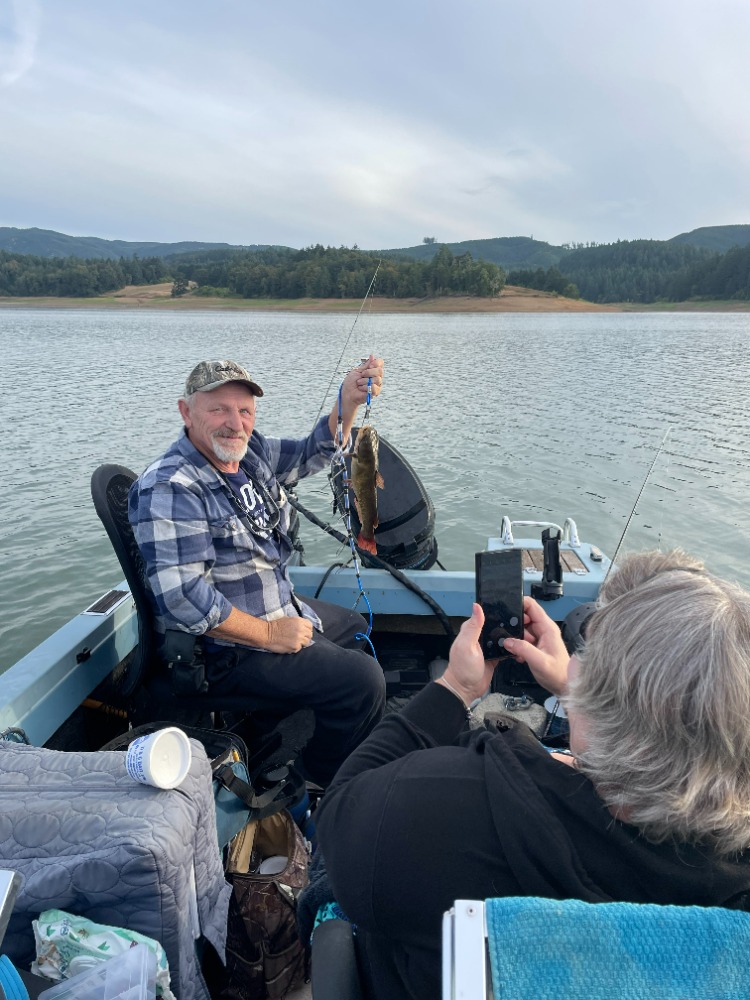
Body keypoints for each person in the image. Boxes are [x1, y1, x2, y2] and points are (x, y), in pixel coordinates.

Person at [316, 550, 750, 1000]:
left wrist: (454, 689)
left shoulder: (442, 803)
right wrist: (575, 692)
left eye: (589, 651)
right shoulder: (734, 881)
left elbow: (339, 812)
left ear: (602, 703)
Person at [129, 357, 387, 787]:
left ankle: (281, 716)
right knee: (363, 681)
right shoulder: (172, 486)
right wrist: (270, 635)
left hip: (277, 602)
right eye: (219, 409)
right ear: (185, 412)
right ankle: (321, 776)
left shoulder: (248, 455)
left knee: (355, 627)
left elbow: (311, 453)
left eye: (244, 410)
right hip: (223, 650)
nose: (235, 423)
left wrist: (348, 400)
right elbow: (184, 599)